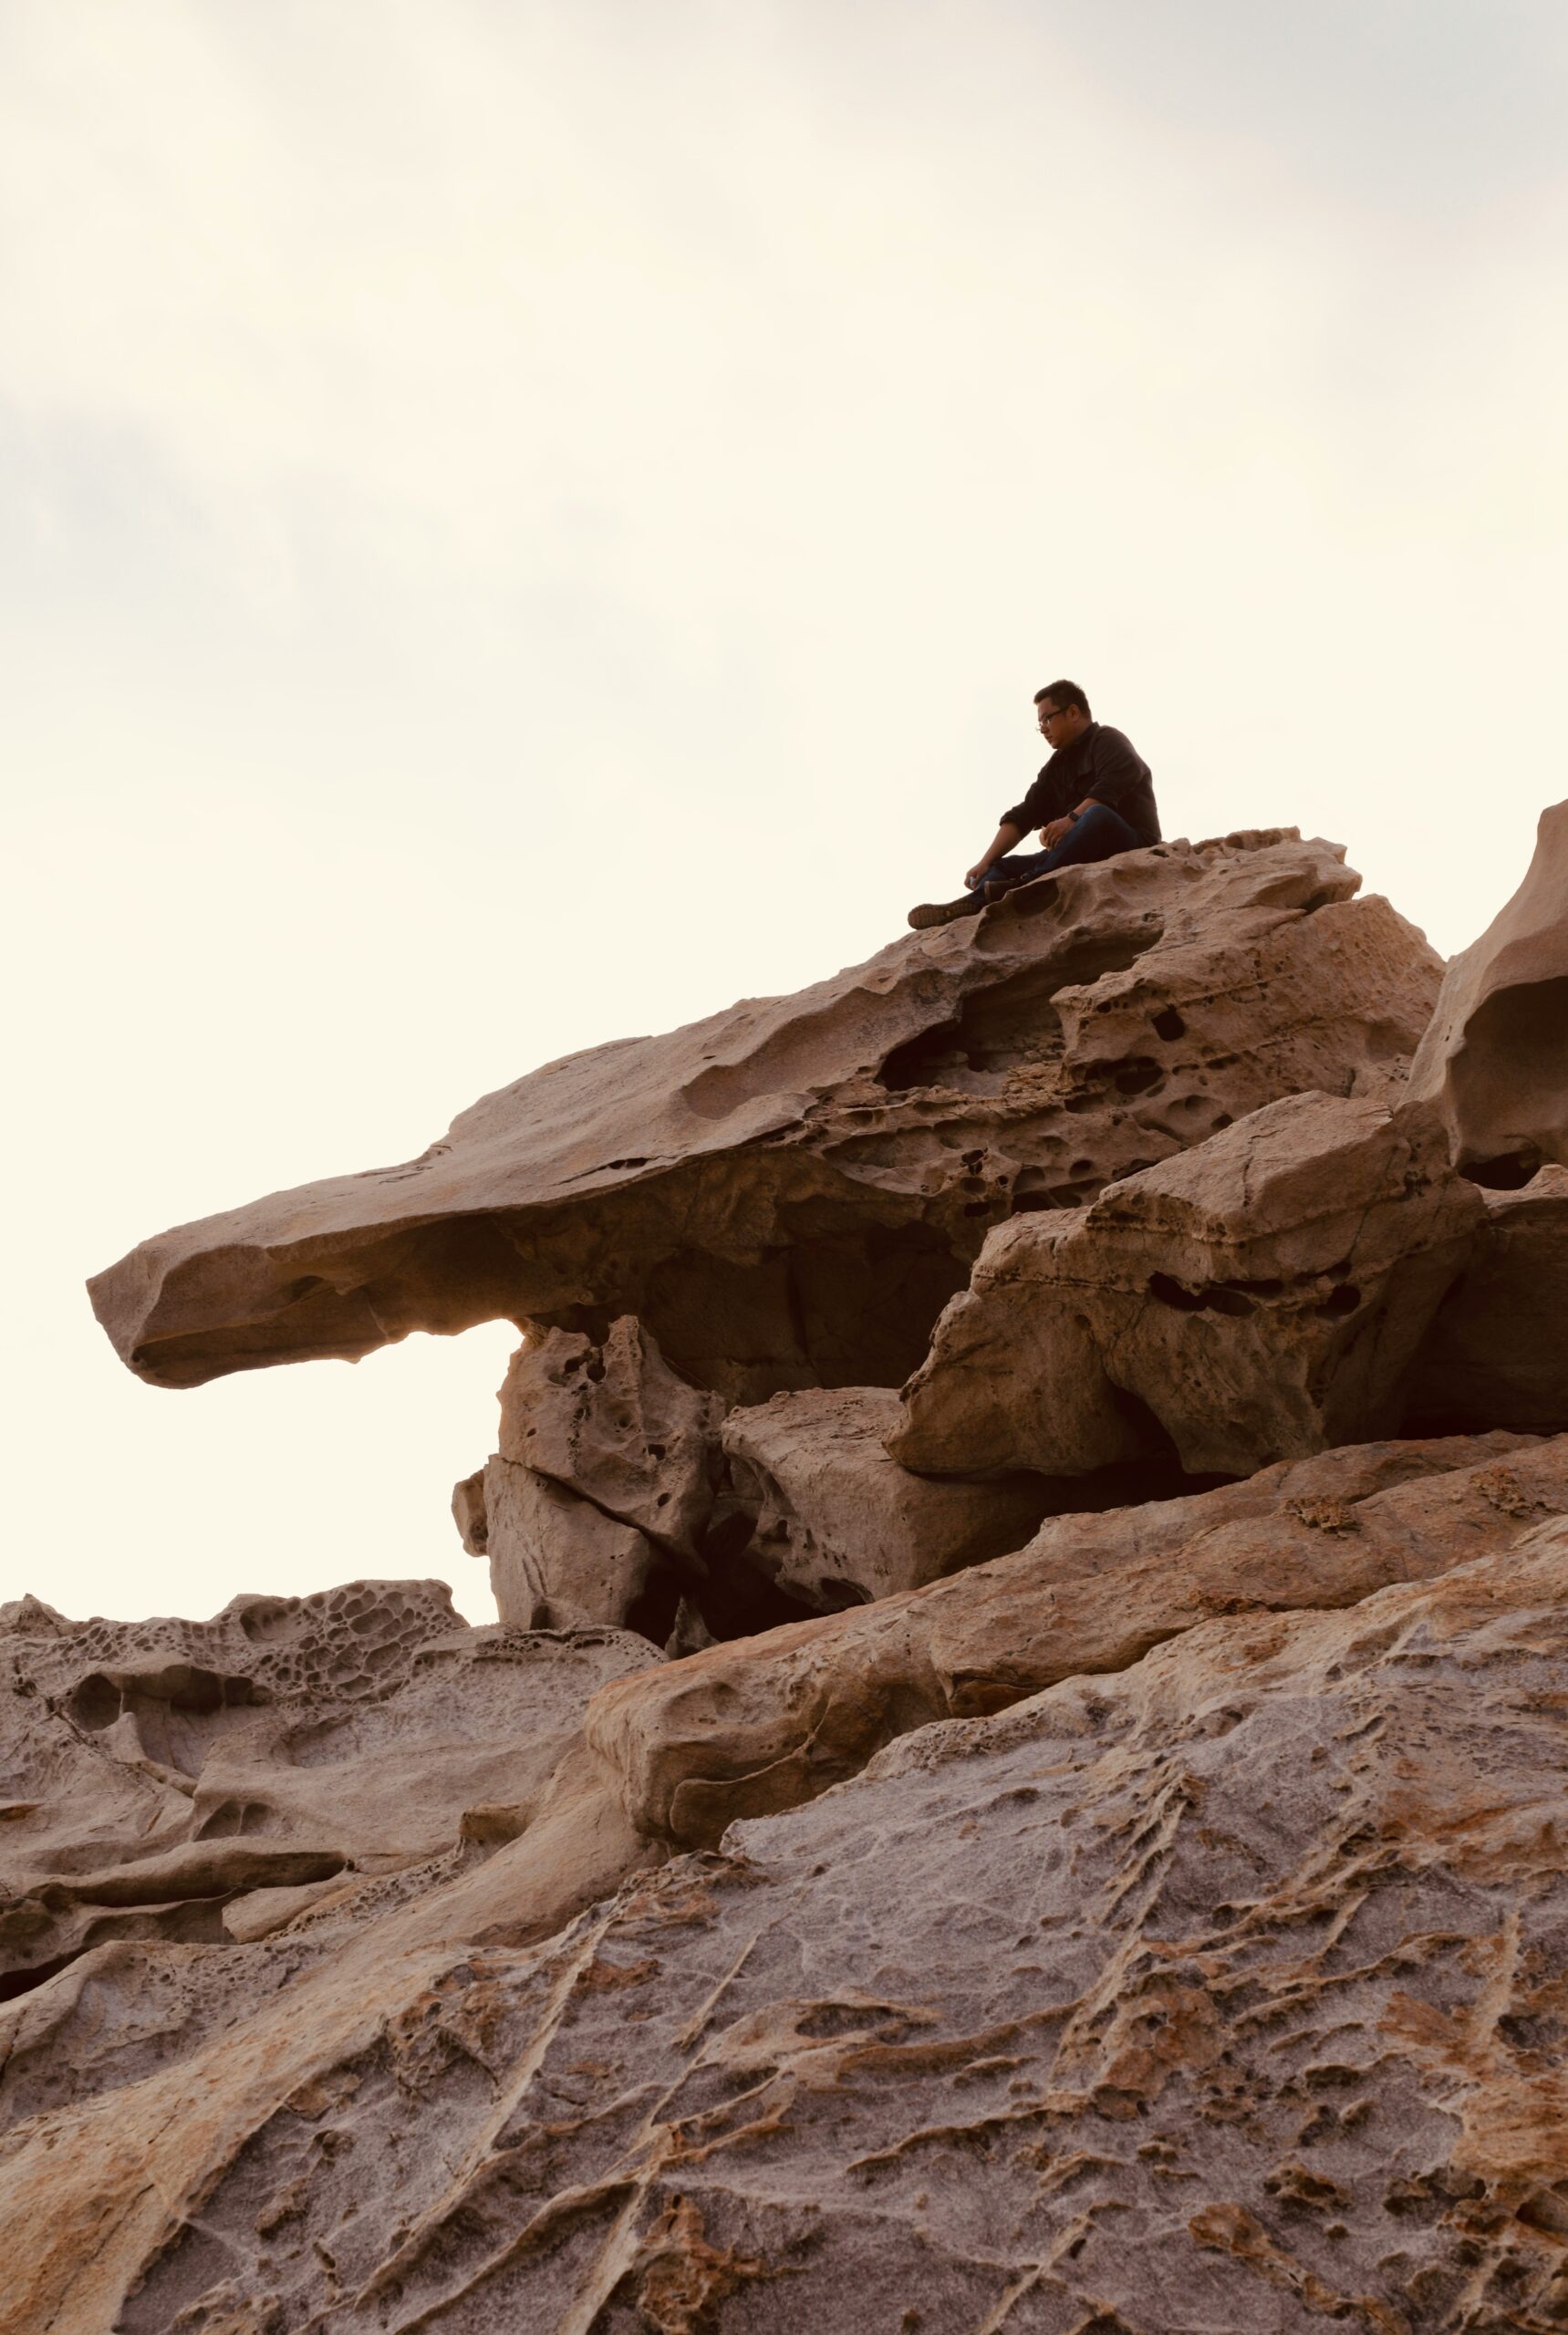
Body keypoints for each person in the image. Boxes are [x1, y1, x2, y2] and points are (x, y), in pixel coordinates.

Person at [908, 681, 1159, 929]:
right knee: (1001, 865)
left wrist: (1071, 820)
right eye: (1040, 724)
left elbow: (1111, 787)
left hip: (1130, 844)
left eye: (1047, 719)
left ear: (1073, 712)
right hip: (1075, 854)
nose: (1043, 730)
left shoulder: (1107, 739)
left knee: (1096, 815)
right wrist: (984, 862)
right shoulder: (1055, 767)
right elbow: (1024, 814)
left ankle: (1025, 885)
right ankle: (975, 904)